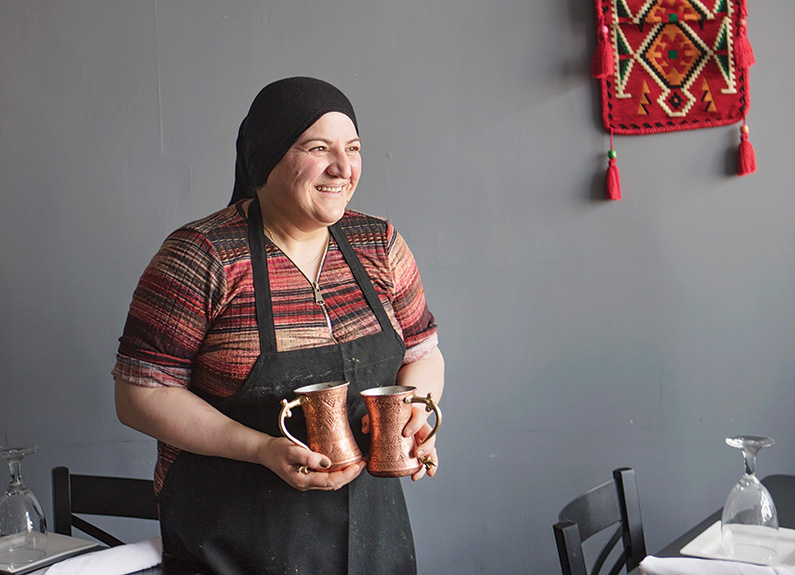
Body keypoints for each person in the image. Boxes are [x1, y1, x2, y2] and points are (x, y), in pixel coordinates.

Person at [112, 76, 444, 575]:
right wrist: (263, 450)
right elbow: (140, 395)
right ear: (268, 156)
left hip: (374, 540)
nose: (343, 167)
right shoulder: (201, 256)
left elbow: (422, 353)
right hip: (232, 544)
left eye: (353, 148)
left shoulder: (381, 245)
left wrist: (418, 418)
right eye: (319, 148)